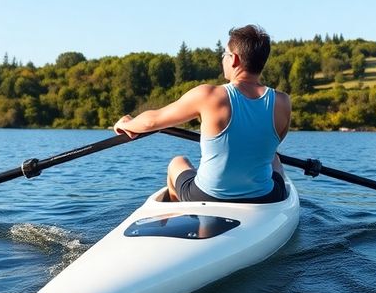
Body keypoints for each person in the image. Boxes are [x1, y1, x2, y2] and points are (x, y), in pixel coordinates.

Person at [113, 24, 291, 203]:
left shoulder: (210, 96)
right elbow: (274, 144)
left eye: (224, 55)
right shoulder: (283, 102)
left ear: (234, 59)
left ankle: (181, 217)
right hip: (264, 198)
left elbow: (151, 122)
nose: (223, 60)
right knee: (274, 159)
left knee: (178, 163)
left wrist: (127, 123)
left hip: (208, 195)